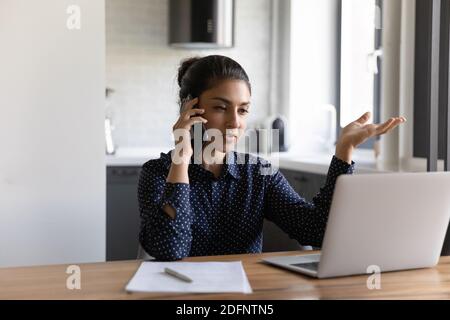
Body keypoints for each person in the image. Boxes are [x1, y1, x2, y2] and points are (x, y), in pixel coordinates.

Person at [138, 55, 405, 261]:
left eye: (243, 111)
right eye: (221, 107)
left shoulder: (259, 173)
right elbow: (172, 251)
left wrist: (343, 152)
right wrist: (182, 157)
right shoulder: (157, 173)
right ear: (190, 108)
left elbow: (317, 231)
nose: (234, 122)